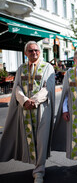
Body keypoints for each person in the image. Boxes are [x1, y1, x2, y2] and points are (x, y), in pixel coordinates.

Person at [0, 41, 55, 183]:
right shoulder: (21, 68)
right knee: (29, 139)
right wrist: (24, 100)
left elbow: (47, 88)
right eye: (30, 51)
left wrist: (34, 101)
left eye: (36, 50)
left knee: (41, 140)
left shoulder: (47, 67)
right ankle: (35, 164)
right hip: (24, 109)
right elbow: (16, 87)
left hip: (41, 109)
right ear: (26, 53)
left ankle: (39, 171)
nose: (34, 53)